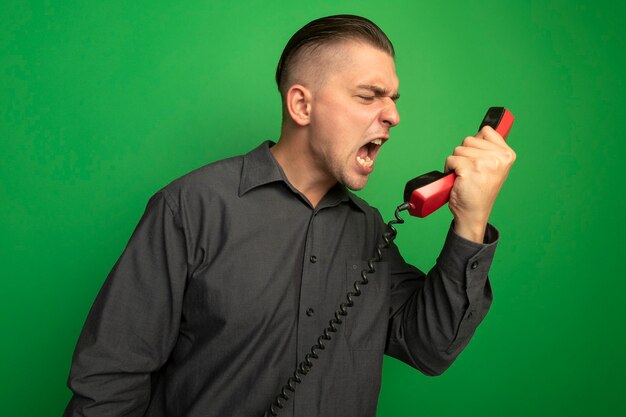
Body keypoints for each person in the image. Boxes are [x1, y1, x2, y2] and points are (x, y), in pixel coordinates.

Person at [64, 14, 516, 417]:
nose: (393, 115)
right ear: (302, 105)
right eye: (369, 96)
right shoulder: (190, 207)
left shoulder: (369, 229)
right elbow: (109, 383)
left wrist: (470, 221)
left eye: (393, 98)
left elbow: (430, 347)